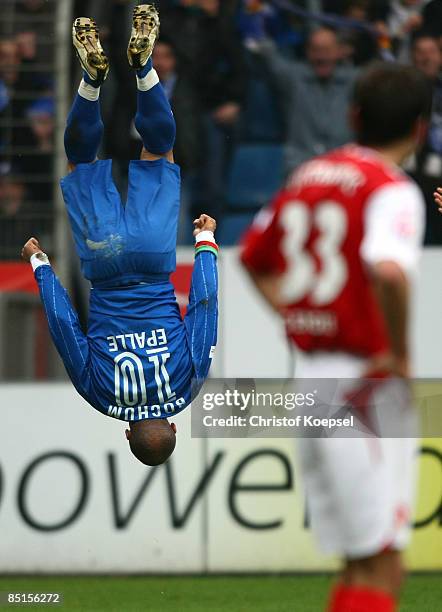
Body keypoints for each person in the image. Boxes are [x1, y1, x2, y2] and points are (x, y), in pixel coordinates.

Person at [241, 62, 431, 611]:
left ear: (353, 115)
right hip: (363, 382)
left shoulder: (309, 174)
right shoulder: (392, 189)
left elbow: (255, 257)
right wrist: (398, 353)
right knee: (383, 561)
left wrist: (297, 314)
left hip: (313, 381)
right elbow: (388, 269)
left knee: (357, 557)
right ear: (420, 128)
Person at [21, 5, 219, 467]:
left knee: (159, 151)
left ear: (171, 428)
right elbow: (65, 328)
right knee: (82, 163)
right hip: (105, 264)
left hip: (152, 259)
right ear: (130, 438)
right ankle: (91, 82)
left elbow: (205, 308)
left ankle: (144, 70)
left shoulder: (187, 388)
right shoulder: (100, 397)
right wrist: (41, 266)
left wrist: (206, 244)